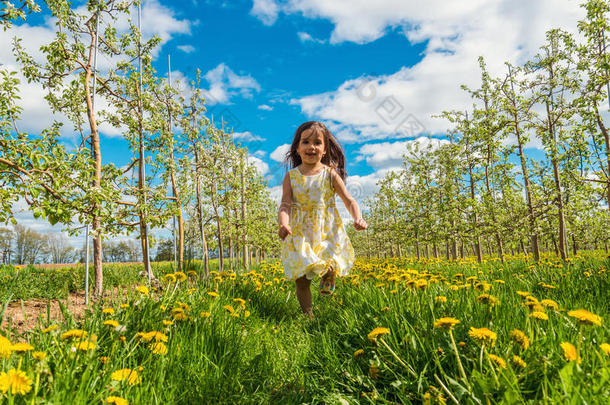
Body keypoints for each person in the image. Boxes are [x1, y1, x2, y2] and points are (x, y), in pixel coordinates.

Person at [278, 121, 367, 317]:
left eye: (317, 142)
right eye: (306, 142)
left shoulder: (330, 174)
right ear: (298, 148)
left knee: (327, 262)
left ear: (325, 149)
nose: (311, 147)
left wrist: (358, 217)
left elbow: (349, 199)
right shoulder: (291, 177)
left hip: (326, 230)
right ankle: (308, 317)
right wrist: (283, 223)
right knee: (302, 279)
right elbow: (285, 204)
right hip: (300, 232)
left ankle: (329, 273)